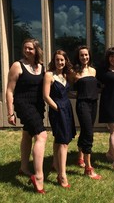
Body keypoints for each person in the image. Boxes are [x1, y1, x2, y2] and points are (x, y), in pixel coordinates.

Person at [6, 38, 47, 194]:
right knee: (41, 135)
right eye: (25, 48)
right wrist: (10, 112)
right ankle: (38, 176)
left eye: (30, 48)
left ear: (36, 50)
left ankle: (23, 167)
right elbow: (9, 90)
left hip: (37, 105)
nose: (27, 50)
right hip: (23, 104)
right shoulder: (17, 65)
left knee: (28, 134)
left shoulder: (41, 67)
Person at [43, 50, 76, 188]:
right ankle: (62, 175)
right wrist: (57, 108)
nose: (60, 62)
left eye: (62, 60)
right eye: (57, 60)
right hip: (57, 110)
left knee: (59, 138)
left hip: (67, 108)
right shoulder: (49, 75)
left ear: (65, 61)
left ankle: (55, 164)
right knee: (63, 142)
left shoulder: (65, 75)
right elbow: (46, 96)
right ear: (53, 61)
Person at [73, 45, 101, 179]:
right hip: (82, 104)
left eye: (86, 55)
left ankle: (80, 158)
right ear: (78, 57)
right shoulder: (75, 73)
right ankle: (88, 168)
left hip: (93, 104)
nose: (84, 57)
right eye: (81, 55)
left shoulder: (94, 71)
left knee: (85, 131)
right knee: (89, 133)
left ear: (89, 56)